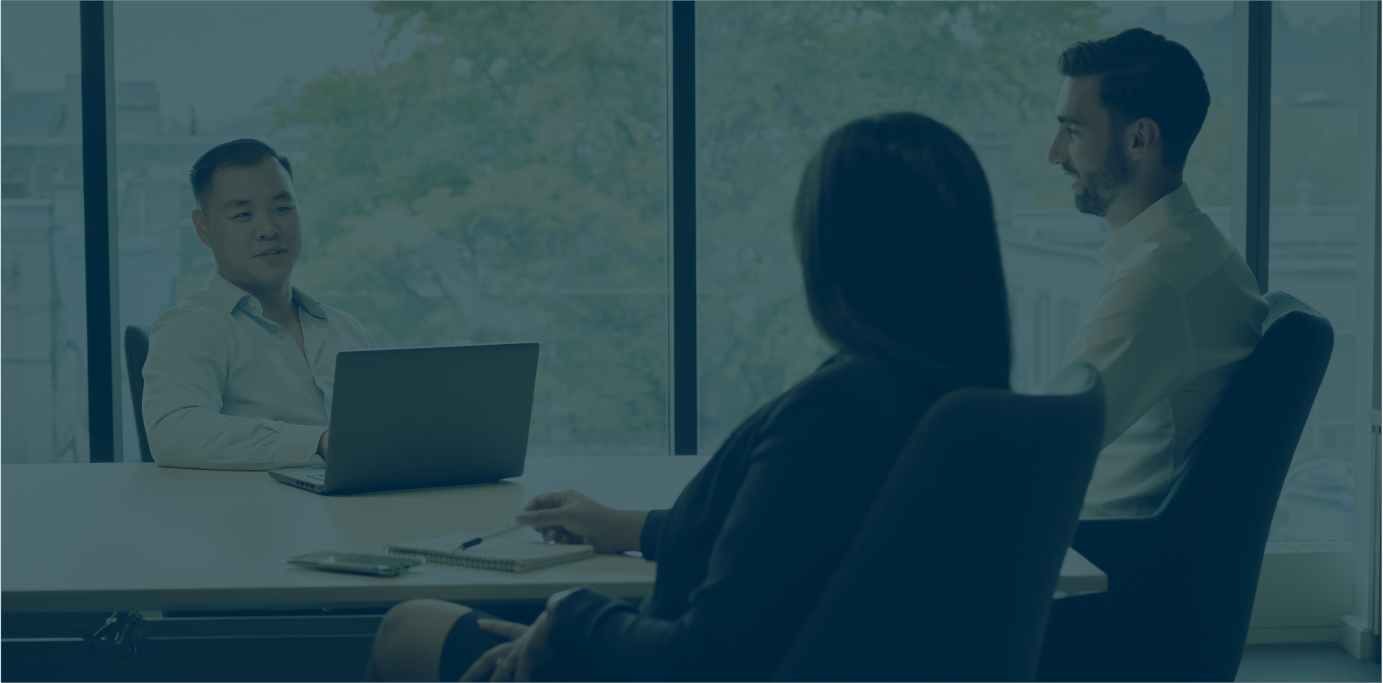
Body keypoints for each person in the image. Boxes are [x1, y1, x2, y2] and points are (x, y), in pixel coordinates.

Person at [363, 112, 1014, 682]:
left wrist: (571, 612)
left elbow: (702, 661)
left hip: (677, 668)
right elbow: (785, 547)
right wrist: (627, 527)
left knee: (408, 626)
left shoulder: (840, 408)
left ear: (834, 249)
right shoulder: (956, 404)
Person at [1045, 29, 1267, 517]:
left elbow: (1048, 443)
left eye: (1073, 130)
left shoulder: (1159, 281)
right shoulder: (1197, 255)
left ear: (1140, 139)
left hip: (1097, 560)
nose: (1055, 153)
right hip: (1090, 547)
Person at [142, 139, 374, 469]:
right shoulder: (190, 327)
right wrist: (318, 443)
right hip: (257, 518)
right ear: (203, 227)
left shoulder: (347, 330)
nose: (268, 228)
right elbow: (174, 433)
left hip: (366, 514)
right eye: (243, 214)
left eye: (282, 208)